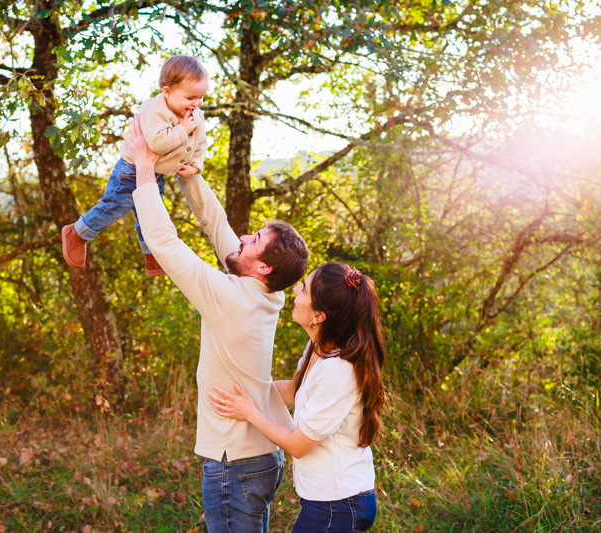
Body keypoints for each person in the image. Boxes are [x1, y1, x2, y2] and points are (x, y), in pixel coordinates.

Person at [124, 115, 310, 532]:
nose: (243, 237)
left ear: (262, 266)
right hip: (260, 458)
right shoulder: (269, 293)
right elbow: (218, 228)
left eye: (254, 240)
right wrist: (192, 178)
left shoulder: (230, 298)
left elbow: (165, 243)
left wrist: (145, 168)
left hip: (234, 464)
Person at [209, 262, 386, 532]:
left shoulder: (338, 370)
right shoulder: (319, 347)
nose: (294, 291)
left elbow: (298, 445)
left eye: (303, 289)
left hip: (339, 503)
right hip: (329, 500)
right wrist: (244, 387)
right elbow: (296, 389)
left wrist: (250, 412)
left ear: (318, 315)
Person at [61, 55, 209, 276]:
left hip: (155, 173)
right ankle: (77, 232)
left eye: (201, 97)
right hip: (130, 170)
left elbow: (200, 143)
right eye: (190, 98)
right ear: (167, 92)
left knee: (151, 214)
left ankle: (151, 255)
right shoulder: (154, 109)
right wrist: (182, 129)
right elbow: (157, 143)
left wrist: (195, 166)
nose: (196, 104)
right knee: (115, 205)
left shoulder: (195, 116)